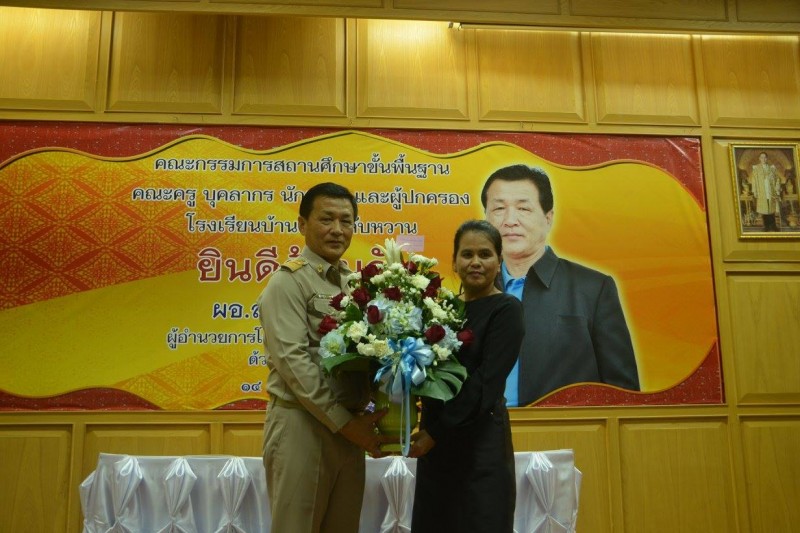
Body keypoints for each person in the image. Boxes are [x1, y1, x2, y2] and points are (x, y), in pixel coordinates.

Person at [258, 182, 393, 533]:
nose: (337, 229)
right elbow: (293, 362)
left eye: (346, 221)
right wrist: (347, 425)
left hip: (350, 429)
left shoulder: (354, 285)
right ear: (303, 224)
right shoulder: (288, 282)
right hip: (303, 426)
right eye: (326, 219)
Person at [481, 164, 640, 406]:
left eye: (523, 208)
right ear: (486, 219)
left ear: (548, 218)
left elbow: (623, 391)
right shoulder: (472, 292)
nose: (510, 221)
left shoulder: (593, 288)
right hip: (488, 427)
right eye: (499, 209)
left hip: (566, 426)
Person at [409, 220, 524, 533]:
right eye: (467, 254)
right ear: (454, 262)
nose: (475, 262)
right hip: (435, 450)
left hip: (480, 450)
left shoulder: (507, 309)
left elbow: (485, 384)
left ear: (499, 261)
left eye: (485, 254)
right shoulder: (442, 311)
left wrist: (434, 433)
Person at [750, 151, 781, 231]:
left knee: (771, 209)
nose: (763, 159)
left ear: (767, 159)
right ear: (759, 159)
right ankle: (766, 227)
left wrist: (777, 189)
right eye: (762, 157)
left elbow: (777, 179)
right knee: (764, 209)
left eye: (765, 157)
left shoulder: (772, 168)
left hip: (770, 191)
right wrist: (754, 191)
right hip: (761, 191)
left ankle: (773, 226)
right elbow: (754, 180)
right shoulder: (756, 169)